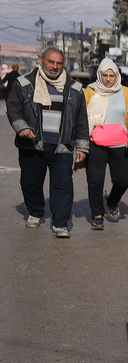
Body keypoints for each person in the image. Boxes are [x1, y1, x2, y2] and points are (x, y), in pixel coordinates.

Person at [7, 47, 89, 237]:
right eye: (51, 62)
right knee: (31, 182)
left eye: (59, 63)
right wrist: (22, 128)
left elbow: (81, 120)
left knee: (63, 185)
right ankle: (35, 212)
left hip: (62, 146)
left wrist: (81, 147)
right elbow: (13, 109)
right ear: (41, 61)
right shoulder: (24, 83)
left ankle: (60, 223)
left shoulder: (75, 89)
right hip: (32, 145)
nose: (55, 66)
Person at [81, 59, 128, 230]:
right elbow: (82, 116)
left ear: (116, 76)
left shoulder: (126, 93)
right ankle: (97, 215)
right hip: (95, 142)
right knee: (95, 181)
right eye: (104, 75)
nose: (107, 79)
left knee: (123, 181)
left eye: (111, 75)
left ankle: (112, 201)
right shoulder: (90, 91)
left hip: (121, 144)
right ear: (99, 75)